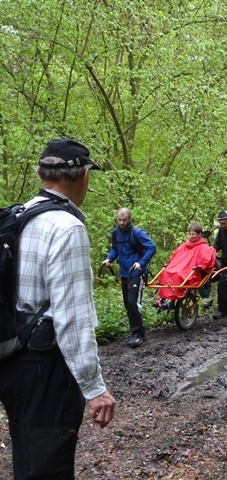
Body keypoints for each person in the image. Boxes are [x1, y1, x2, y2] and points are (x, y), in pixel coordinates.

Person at [0, 138, 116, 479]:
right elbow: (73, 317)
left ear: (42, 174)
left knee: (26, 455)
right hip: (45, 369)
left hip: (12, 359)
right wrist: (95, 389)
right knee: (48, 467)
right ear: (83, 177)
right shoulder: (68, 227)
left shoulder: (18, 215)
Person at [103, 207, 156, 347]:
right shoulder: (115, 233)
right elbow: (115, 249)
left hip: (137, 272)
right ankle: (138, 331)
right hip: (124, 272)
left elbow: (151, 247)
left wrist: (141, 263)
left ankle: (137, 334)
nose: (121, 223)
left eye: (124, 220)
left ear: (130, 219)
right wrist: (109, 259)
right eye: (119, 220)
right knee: (128, 304)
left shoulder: (137, 233)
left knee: (133, 302)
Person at [156, 224, 217, 306]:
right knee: (166, 272)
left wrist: (201, 266)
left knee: (178, 275)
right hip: (180, 267)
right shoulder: (185, 245)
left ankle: (171, 300)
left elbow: (206, 260)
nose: (191, 236)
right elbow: (175, 255)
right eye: (190, 234)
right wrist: (170, 263)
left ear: (199, 234)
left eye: (194, 234)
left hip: (192, 270)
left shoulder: (203, 246)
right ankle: (164, 298)